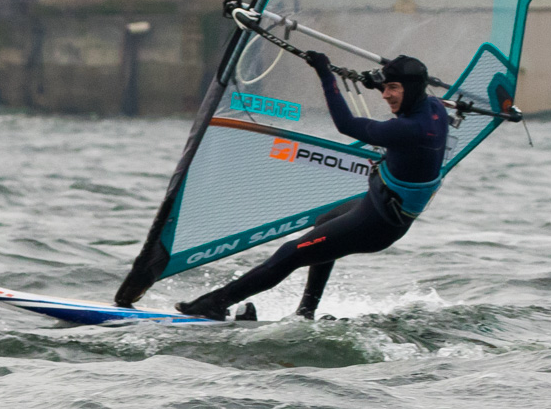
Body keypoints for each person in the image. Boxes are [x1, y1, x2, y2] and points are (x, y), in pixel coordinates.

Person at [175, 53, 449, 321]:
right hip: (381, 205)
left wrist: (325, 75)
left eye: (393, 88)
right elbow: (403, 92)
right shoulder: (435, 109)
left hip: (377, 224)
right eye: (385, 87)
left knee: (291, 254)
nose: (385, 95)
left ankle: (213, 304)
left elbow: (346, 124)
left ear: (411, 89)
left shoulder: (410, 130)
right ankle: (306, 311)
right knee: (325, 221)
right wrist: (375, 80)